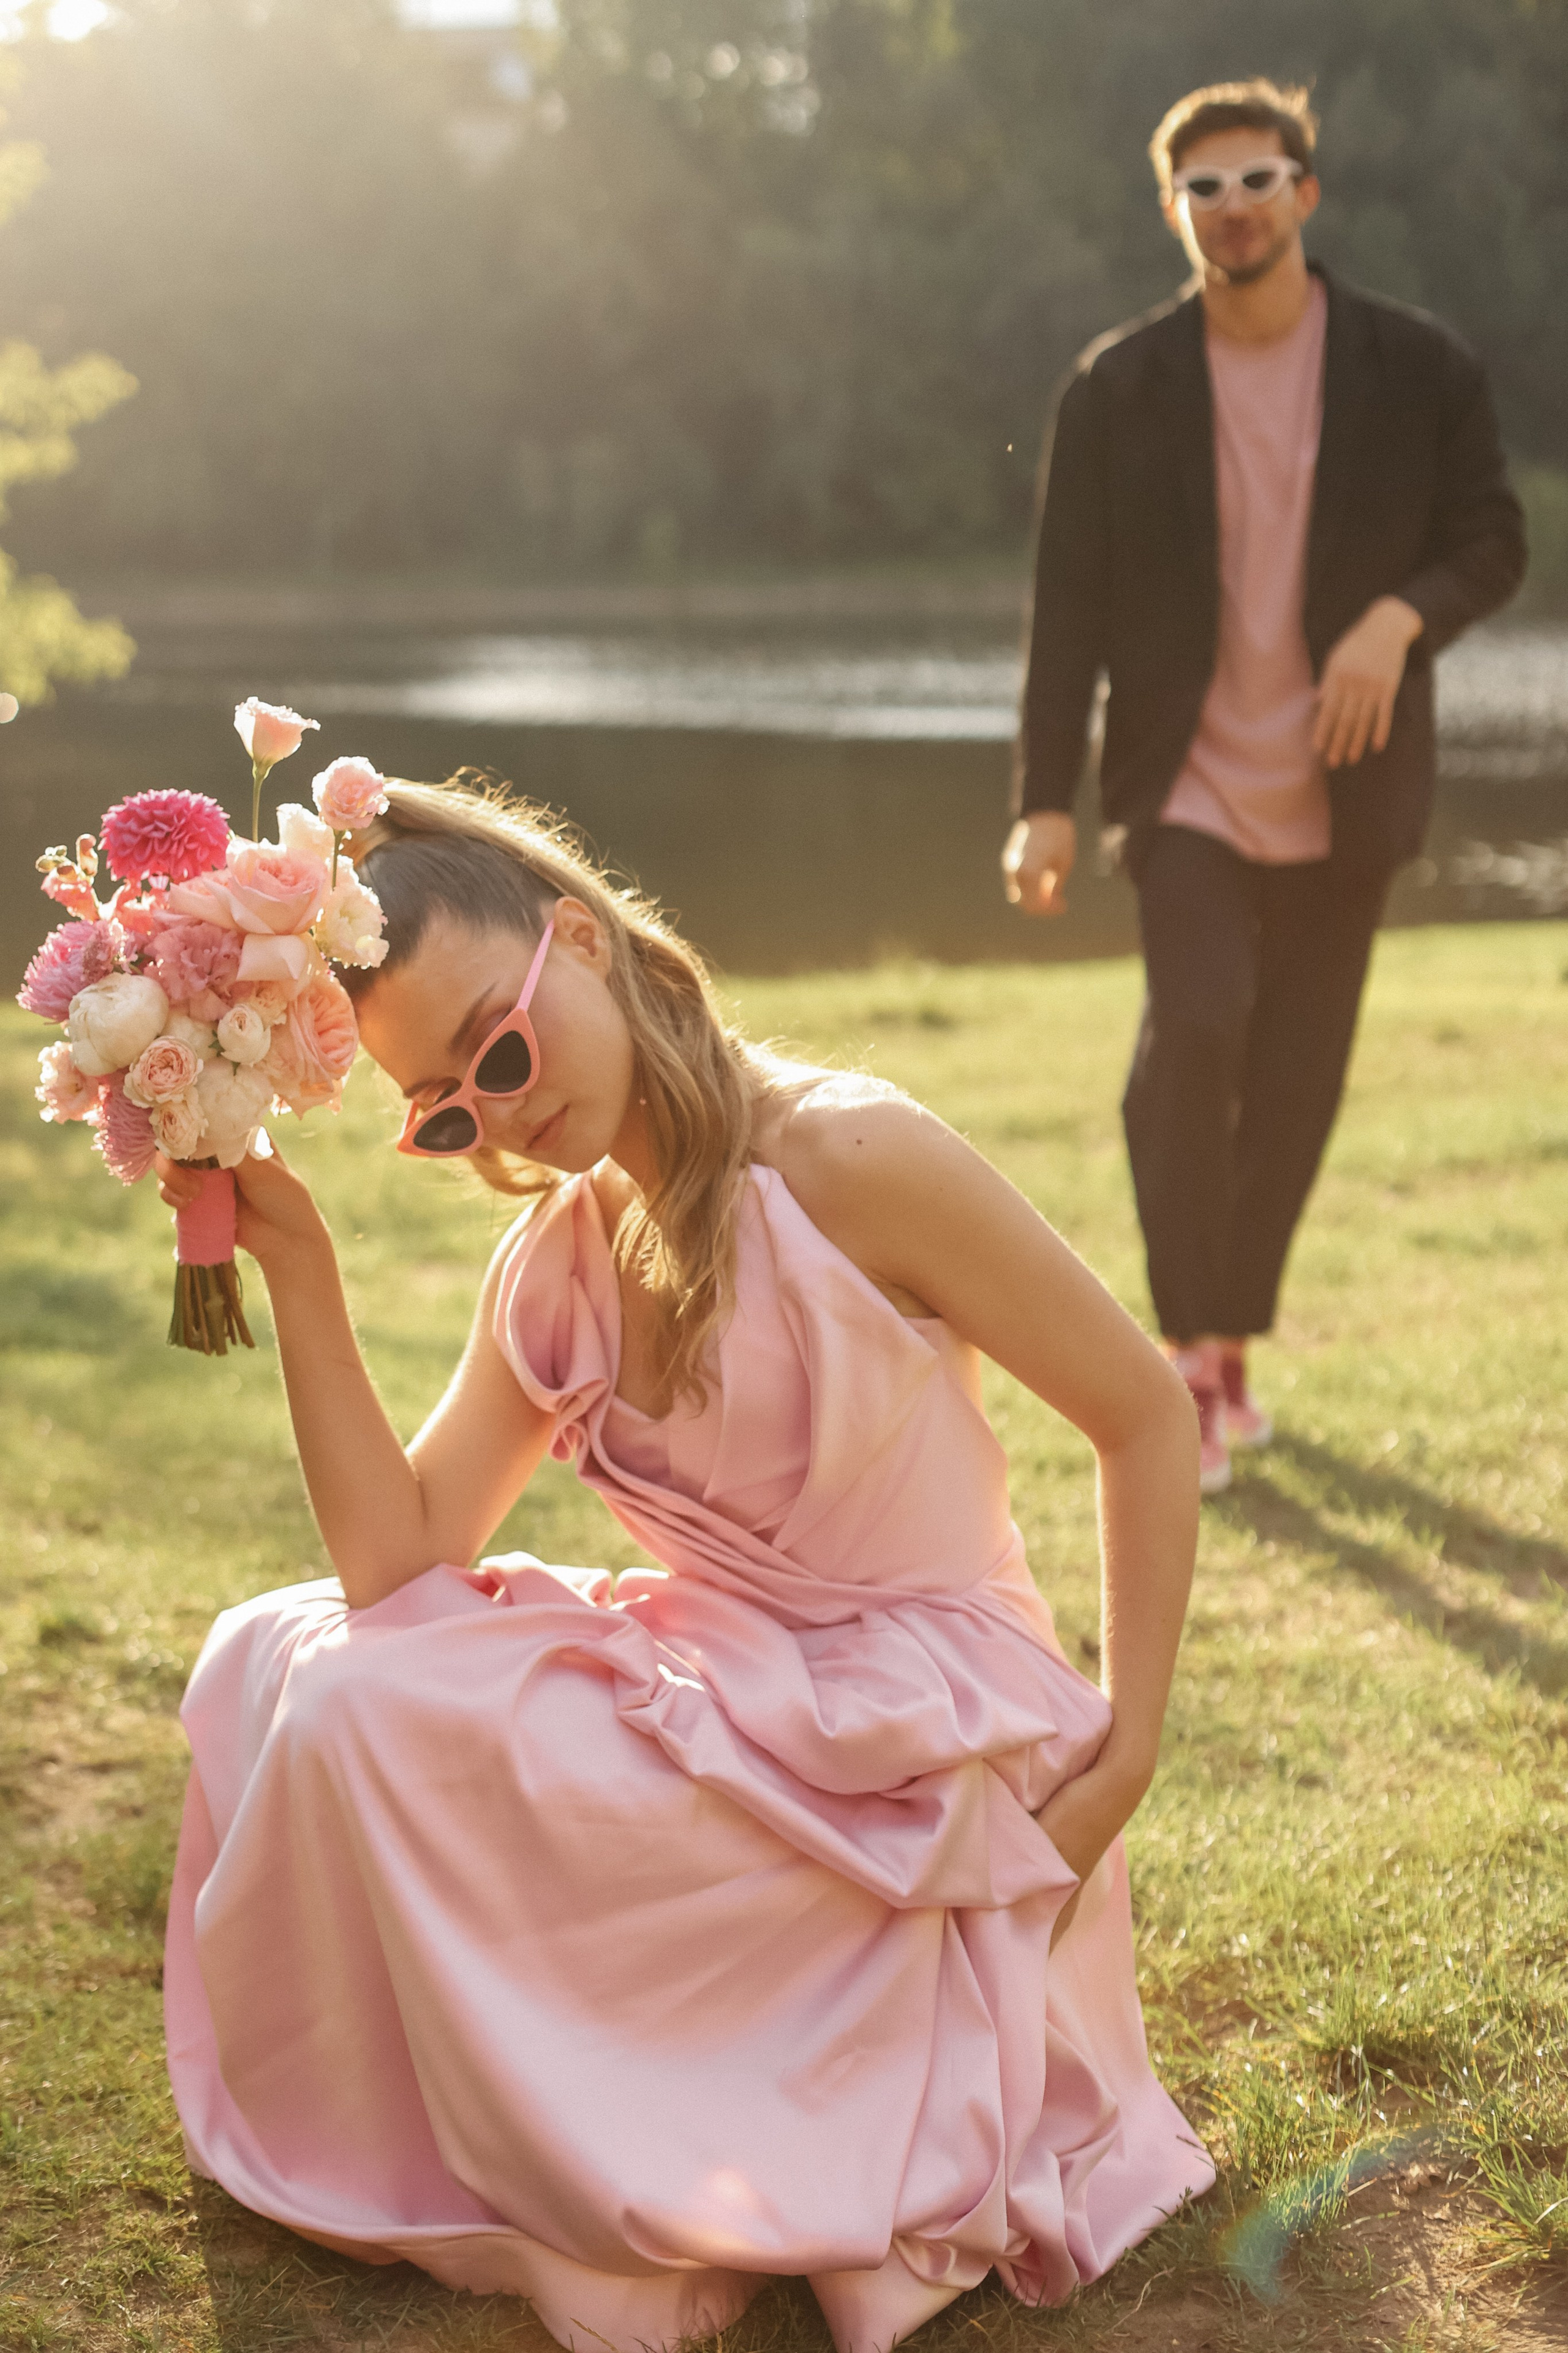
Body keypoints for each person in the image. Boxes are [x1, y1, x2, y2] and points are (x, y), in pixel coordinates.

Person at [158, 779, 1213, 2353]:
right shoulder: (560, 1258)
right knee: (287, 1660)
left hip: (933, 1740)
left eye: (499, 1050)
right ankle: (577, 2105)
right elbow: (396, 1563)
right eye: (445, 1109)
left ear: (580, 940)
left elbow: (1141, 1414)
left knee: (371, 1699)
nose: (498, 1114)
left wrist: (1123, 1752)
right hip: (743, 1701)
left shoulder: (850, 1157)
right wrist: (301, 1268)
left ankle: (697, 2101)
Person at [1003, 78, 1526, 1494]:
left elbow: (1491, 535)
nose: (1231, 207)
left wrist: (1394, 620)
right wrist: (1042, 797)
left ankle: (1228, 1342)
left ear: (1304, 192)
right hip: (1180, 783)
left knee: (1293, 1077)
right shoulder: (1117, 386)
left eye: (1255, 179)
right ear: (1171, 212)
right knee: (1195, 1026)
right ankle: (1183, 1355)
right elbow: (1067, 604)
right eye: (1202, 188)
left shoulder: (1413, 365)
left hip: (1345, 786)